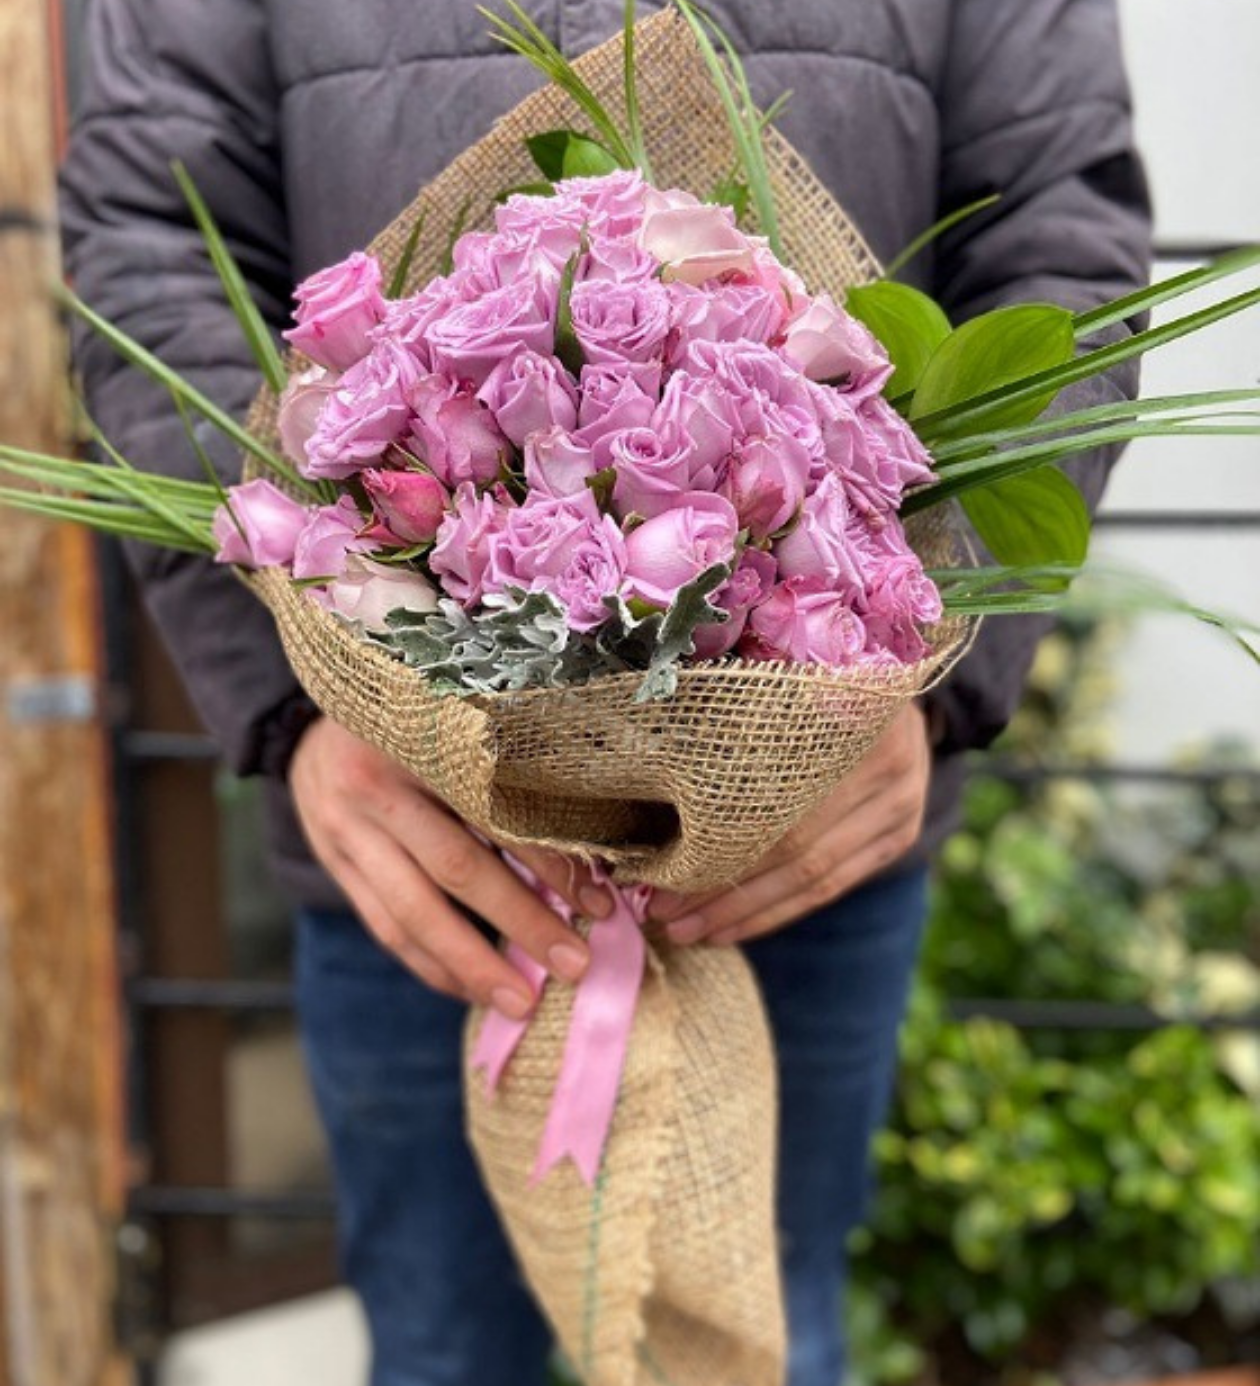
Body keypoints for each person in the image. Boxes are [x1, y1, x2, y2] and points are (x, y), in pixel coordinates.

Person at [60, 2, 1151, 1382]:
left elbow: (1066, 237)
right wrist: (302, 701)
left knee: (760, 1337)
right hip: (424, 860)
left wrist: (927, 684)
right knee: (449, 1348)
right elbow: (149, 243)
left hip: (796, 850)